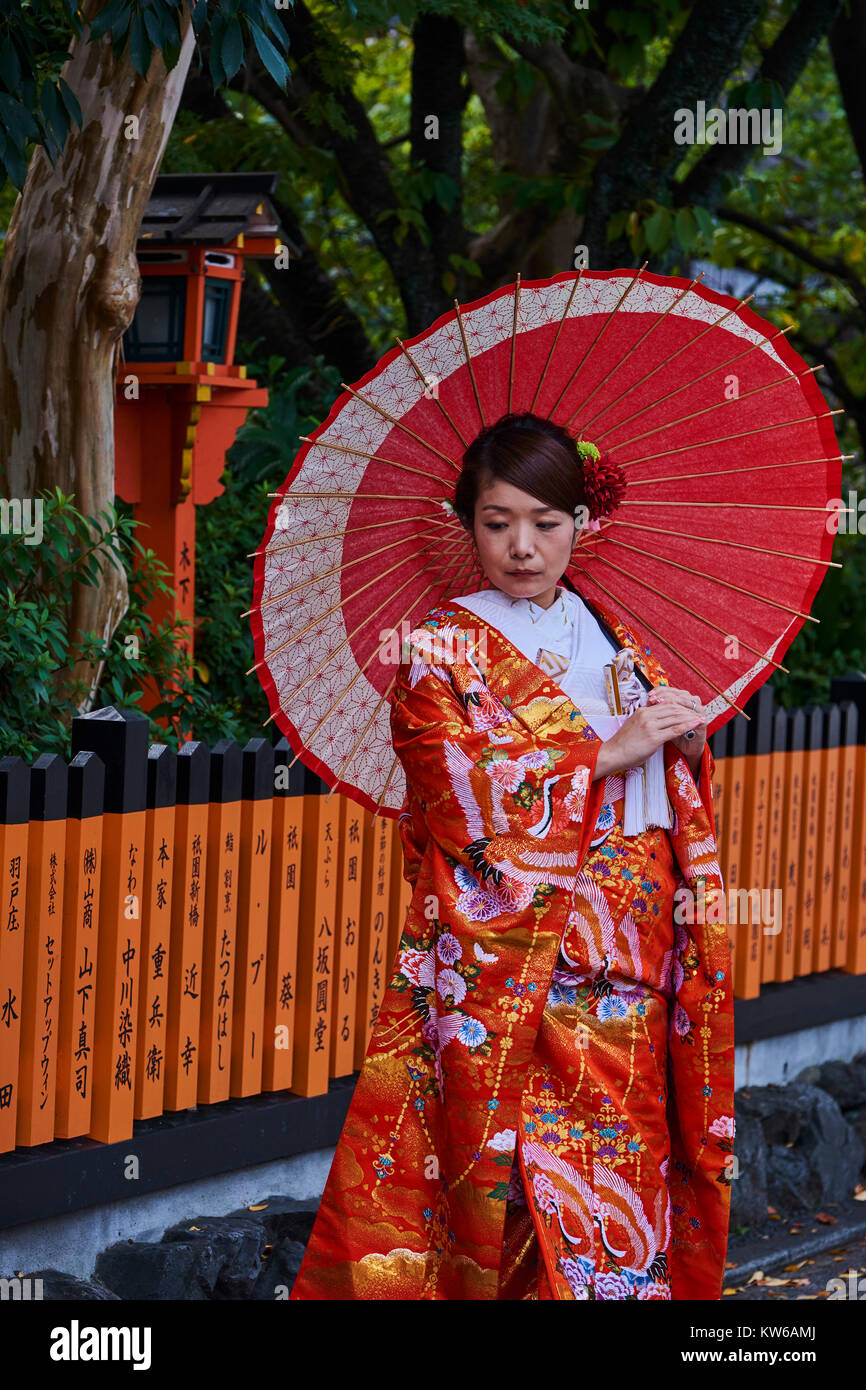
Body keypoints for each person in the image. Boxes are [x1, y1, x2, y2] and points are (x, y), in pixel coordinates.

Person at [289, 412, 734, 1301]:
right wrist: (604, 753)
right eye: (497, 524)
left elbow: (666, 801)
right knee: (517, 1192)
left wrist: (684, 756)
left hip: (636, 962)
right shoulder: (437, 649)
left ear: (584, 523)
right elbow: (452, 789)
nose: (523, 547)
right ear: (468, 526)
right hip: (518, 969)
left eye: (547, 523)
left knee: (627, 1178)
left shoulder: (615, 641)